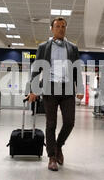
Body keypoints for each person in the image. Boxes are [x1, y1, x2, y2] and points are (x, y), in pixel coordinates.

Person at [28, 17, 84, 171]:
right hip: (49, 88)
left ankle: (58, 146)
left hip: (67, 89)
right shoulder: (43, 47)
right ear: (52, 28)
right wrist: (33, 90)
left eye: (63, 26)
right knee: (51, 124)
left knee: (69, 122)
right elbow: (36, 69)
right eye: (57, 26)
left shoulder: (72, 47)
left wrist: (80, 87)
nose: (61, 28)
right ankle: (52, 156)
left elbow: (76, 69)